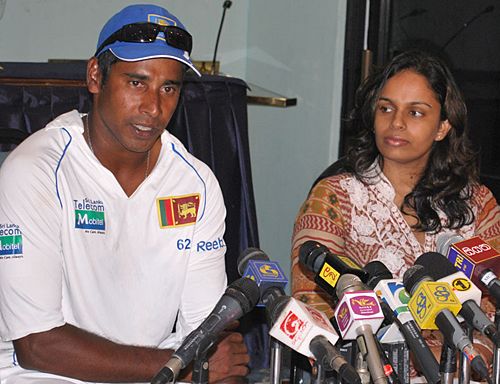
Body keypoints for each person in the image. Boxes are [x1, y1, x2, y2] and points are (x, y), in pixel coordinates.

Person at [0, 4, 249, 383]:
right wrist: (182, 366)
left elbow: (208, 340)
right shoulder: (35, 170)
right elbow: (37, 345)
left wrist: (205, 367)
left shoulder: (195, 184)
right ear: (96, 76)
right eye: (137, 82)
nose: (152, 107)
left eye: (169, 88)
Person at [291, 50, 500, 376]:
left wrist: (462, 369)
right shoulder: (334, 198)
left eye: (415, 113)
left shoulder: (479, 204)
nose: (396, 122)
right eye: (386, 108)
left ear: (443, 126)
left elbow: (491, 306)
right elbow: (310, 302)